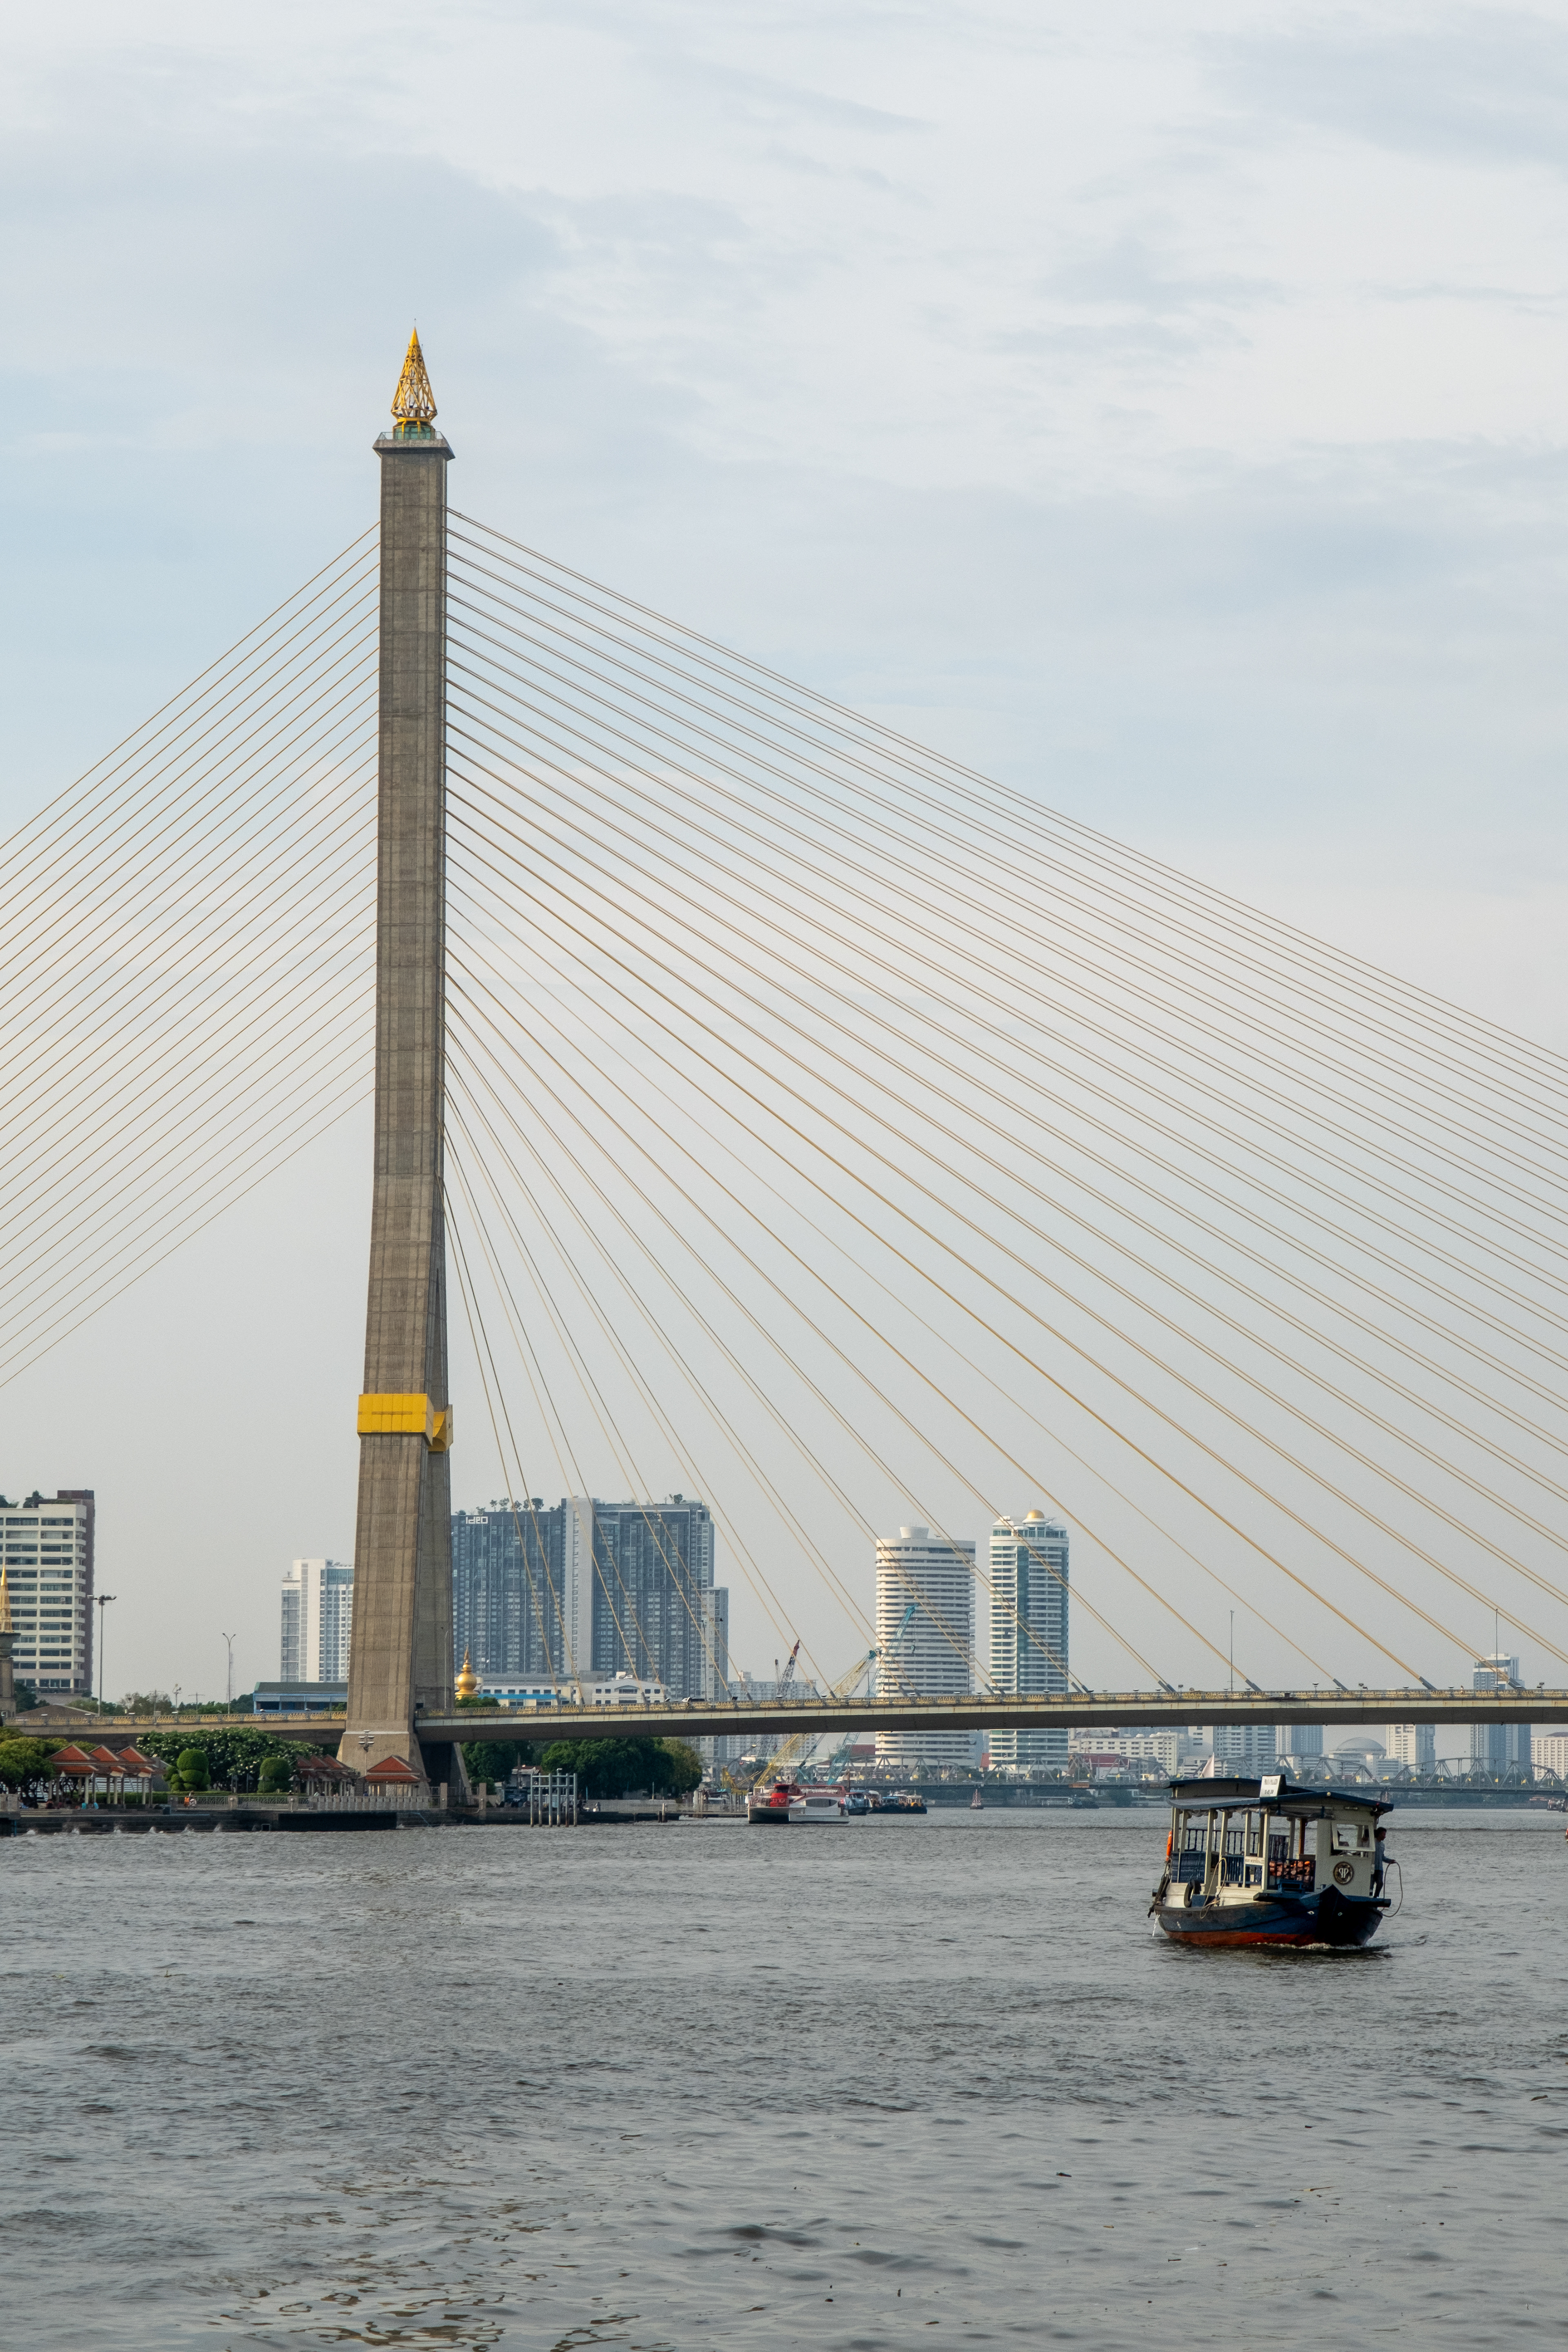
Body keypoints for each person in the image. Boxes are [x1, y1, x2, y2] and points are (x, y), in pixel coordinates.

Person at [1372, 1824, 1391, 1895]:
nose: (1385, 1836)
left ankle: (1376, 1897)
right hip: (1372, 1867)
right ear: (1379, 1834)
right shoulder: (1373, 1842)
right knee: (1371, 1882)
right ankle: (1369, 1895)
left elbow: (1382, 1857)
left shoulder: (1383, 1845)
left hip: (1380, 1868)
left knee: (1381, 1883)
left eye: (1385, 1835)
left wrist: (1390, 1861)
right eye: (1383, 1834)